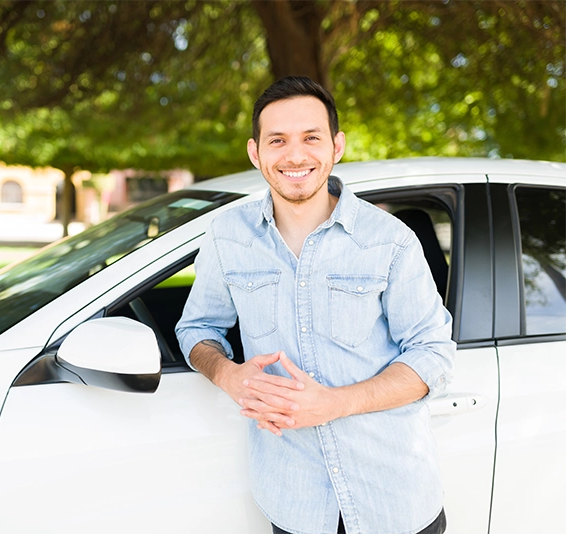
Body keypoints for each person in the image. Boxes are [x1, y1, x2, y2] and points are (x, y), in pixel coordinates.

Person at [175, 76, 455, 534]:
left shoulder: (390, 241)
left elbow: (433, 355)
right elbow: (197, 329)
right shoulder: (227, 237)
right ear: (255, 153)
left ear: (337, 145)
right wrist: (228, 374)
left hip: (394, 503)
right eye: (278, 140)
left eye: (311, 137)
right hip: (295, 506)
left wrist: (335, 403)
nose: (296, 155)